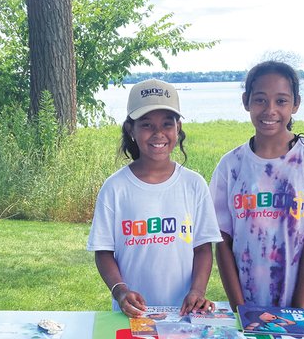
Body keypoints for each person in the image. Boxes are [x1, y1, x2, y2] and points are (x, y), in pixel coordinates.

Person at [87, 79, 222, 317]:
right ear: (131, 129)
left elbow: (202, 248)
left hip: (183, 313)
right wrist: (120, 291)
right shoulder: (115, 188)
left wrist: (197, 291)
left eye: (167, 124)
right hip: (132, 314)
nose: (158, 134)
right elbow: (104, 251)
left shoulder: (194, 184)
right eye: (147, 125)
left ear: (178, 128)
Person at [210, 60, 304, 309]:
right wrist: (241, 309)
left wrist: (299, 311)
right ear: (246, 101)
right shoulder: (231, 165)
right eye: (260, 100)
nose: (270, 110)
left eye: (281, 101)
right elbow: (222, 241)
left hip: (297, 304)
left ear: (295, 104)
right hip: (245, 305)